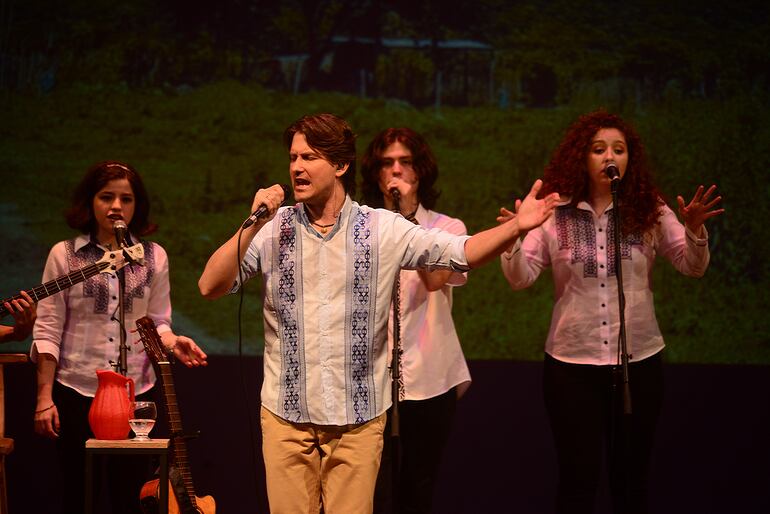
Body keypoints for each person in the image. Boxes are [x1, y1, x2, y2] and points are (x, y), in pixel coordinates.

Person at [198, 113, 559, 514]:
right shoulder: (273, 227)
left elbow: (459, 253)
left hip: (358, 421)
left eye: (310, 157)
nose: (297, 167)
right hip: (286, 416)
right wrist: (252, 222)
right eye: (293, 157)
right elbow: (210, 286)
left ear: (340, 165)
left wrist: (516, 228)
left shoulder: (383, 227)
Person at [498, 110, 723, 514]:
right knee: (577, 480)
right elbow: (521, 277)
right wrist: (515, 235)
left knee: (631, 480)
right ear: (580, 158)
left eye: (619, 150)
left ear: (629, 159)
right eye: (598, 149)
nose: (610, 157)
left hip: (639, 363)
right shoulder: (554, 212)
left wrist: (694, 229)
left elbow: (692, 266)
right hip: (571, 366)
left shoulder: (649, 210)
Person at [31, 161, 208, 514]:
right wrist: (44, 397)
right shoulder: (64, 255)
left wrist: (174, 342)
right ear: (90, 202)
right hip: (76, 389)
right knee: (78, 494)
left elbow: (158, 321)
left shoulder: (154, 257)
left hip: (135, 393)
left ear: (136, 206)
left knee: (130, 496)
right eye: (106, 197)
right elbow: (47, 327)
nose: (116, 206)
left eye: (126, 199)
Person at [360, 127, 470, 514]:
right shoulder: (361, 230)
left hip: (430, 376)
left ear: (419, 171)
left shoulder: (447, 228)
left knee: (419, 485)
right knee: (372, 489)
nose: (396, 171)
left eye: (405, 162)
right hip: (369, 377)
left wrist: (408, 218)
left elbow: (436, 279)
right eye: (387, 163)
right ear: (376, 174)